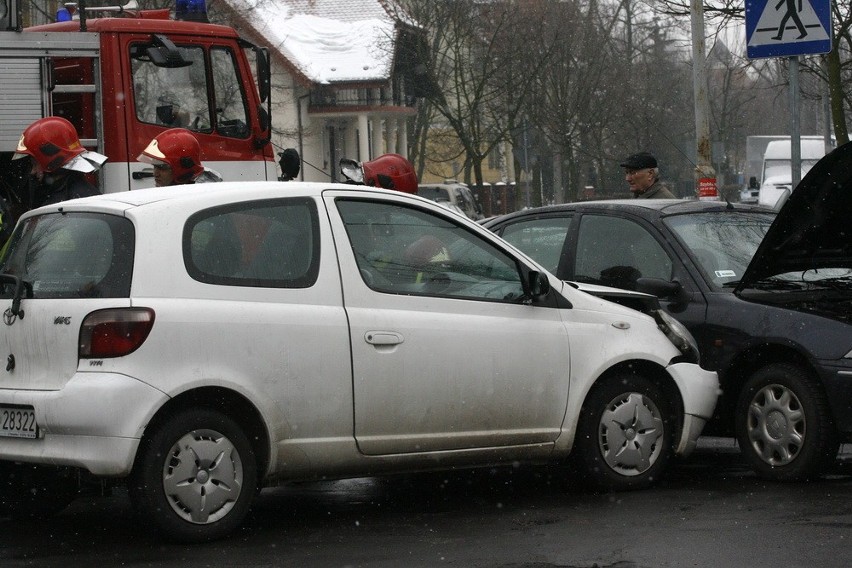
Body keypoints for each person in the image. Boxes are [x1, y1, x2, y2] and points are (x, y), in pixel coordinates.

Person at [12, 116, 107, 209]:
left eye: (35, 164)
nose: (33, 171)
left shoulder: (72, 203)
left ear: (51, 162)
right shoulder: (81, 196)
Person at [137, 128, 221, 187]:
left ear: (183, 168)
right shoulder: (178, 194)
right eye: (154, 166)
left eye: (162, 168)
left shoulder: (199, 199)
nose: (155, 174)